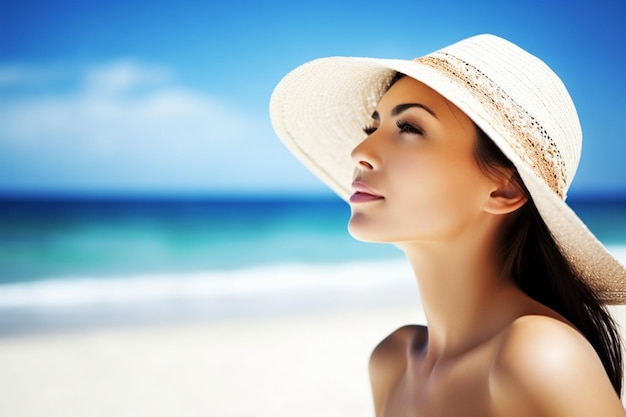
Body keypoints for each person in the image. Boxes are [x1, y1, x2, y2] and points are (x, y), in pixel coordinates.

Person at [270, 34, 626, 416]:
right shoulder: (392, 364)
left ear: (504, 188)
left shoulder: (540, 356)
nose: (361, 152)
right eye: (373, 129)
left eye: (410, 128)